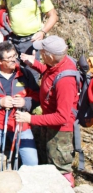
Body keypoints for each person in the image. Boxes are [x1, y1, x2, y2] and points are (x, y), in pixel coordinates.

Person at [16, 35, 78, 187]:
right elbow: (50, 75)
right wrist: (35, 64)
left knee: (59, 170)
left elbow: (62, 117)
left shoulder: (65, 81)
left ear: (50, 56)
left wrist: (30, 119)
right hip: (49, 124)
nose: (40, 54)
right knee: (46, 166)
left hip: (60, 133)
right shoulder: (59, 63)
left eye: (42, 52)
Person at [0, 41, 39, 173]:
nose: (14, 60)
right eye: (9, 58)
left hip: (21, 123)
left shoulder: (25, 74)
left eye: (14, 56)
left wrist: (25, 102)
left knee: (32, 161)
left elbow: (38, 97)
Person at [1, 0, 58, 80]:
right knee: (11, 71)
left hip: (31, 41)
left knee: (32, 73)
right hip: (11, 39)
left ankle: (32, 96)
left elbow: (53, 15)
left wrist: (43, 32)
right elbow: (2, 9)